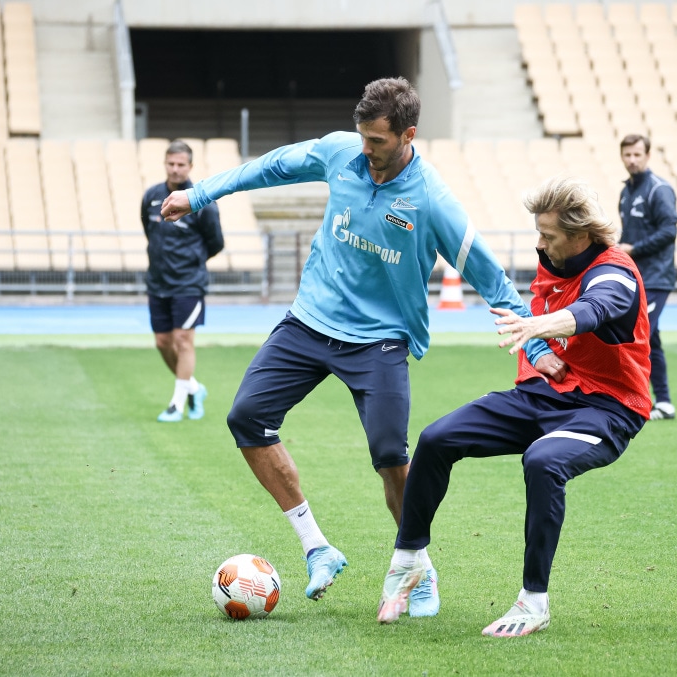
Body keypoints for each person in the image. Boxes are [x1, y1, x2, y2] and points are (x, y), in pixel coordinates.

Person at [160, 77, 557, 610]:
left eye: (377, 141)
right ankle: (317, 548)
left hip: (381, 343)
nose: (365, 149)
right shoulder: (341, 153)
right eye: (362, 137)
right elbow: (270, 166)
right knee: (246, 419)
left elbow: (493, 281)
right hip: (310, 322)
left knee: (391, 456)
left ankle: (419, 567)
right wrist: (200, 192)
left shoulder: (433, 201)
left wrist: (535, 346)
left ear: (408, 134)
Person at [376, 176, 651, 637]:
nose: (539, 242)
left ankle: (534, 603)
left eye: (549, 234)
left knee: (543, 461)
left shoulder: (615, 272)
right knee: (436, 438)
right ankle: (408, 560)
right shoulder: (553, 257)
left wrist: (539, 327)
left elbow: (594, 310)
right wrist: (541, 351)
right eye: (538, 231)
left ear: (581, 235)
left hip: (607, 407)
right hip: (542, 395)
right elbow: (547, 317)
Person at [142, 139, 224, 423]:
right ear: (165, 164)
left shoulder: (202, 202)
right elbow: (149, 231)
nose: (175, 169)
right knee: (163, 342)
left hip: (188, 283)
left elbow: (215, 243)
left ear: (190, 167)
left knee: (183, 341)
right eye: (171, 163)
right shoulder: (151, 196)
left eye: (181, 164)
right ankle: (194, 388)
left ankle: (177, 404)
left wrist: (189, 263)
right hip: (157, 282)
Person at [618, 133, 677, 420]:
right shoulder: (626, 192)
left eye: (637, 154)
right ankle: (664, 402)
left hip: (655, 277)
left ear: (647, 156)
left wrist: (634, 249)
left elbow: (669, 231)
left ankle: (634, 400)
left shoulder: (659, 190)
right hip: (634, 277)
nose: (632, 159)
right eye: (627, 154)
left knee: (637, 336)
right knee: (650, 337)